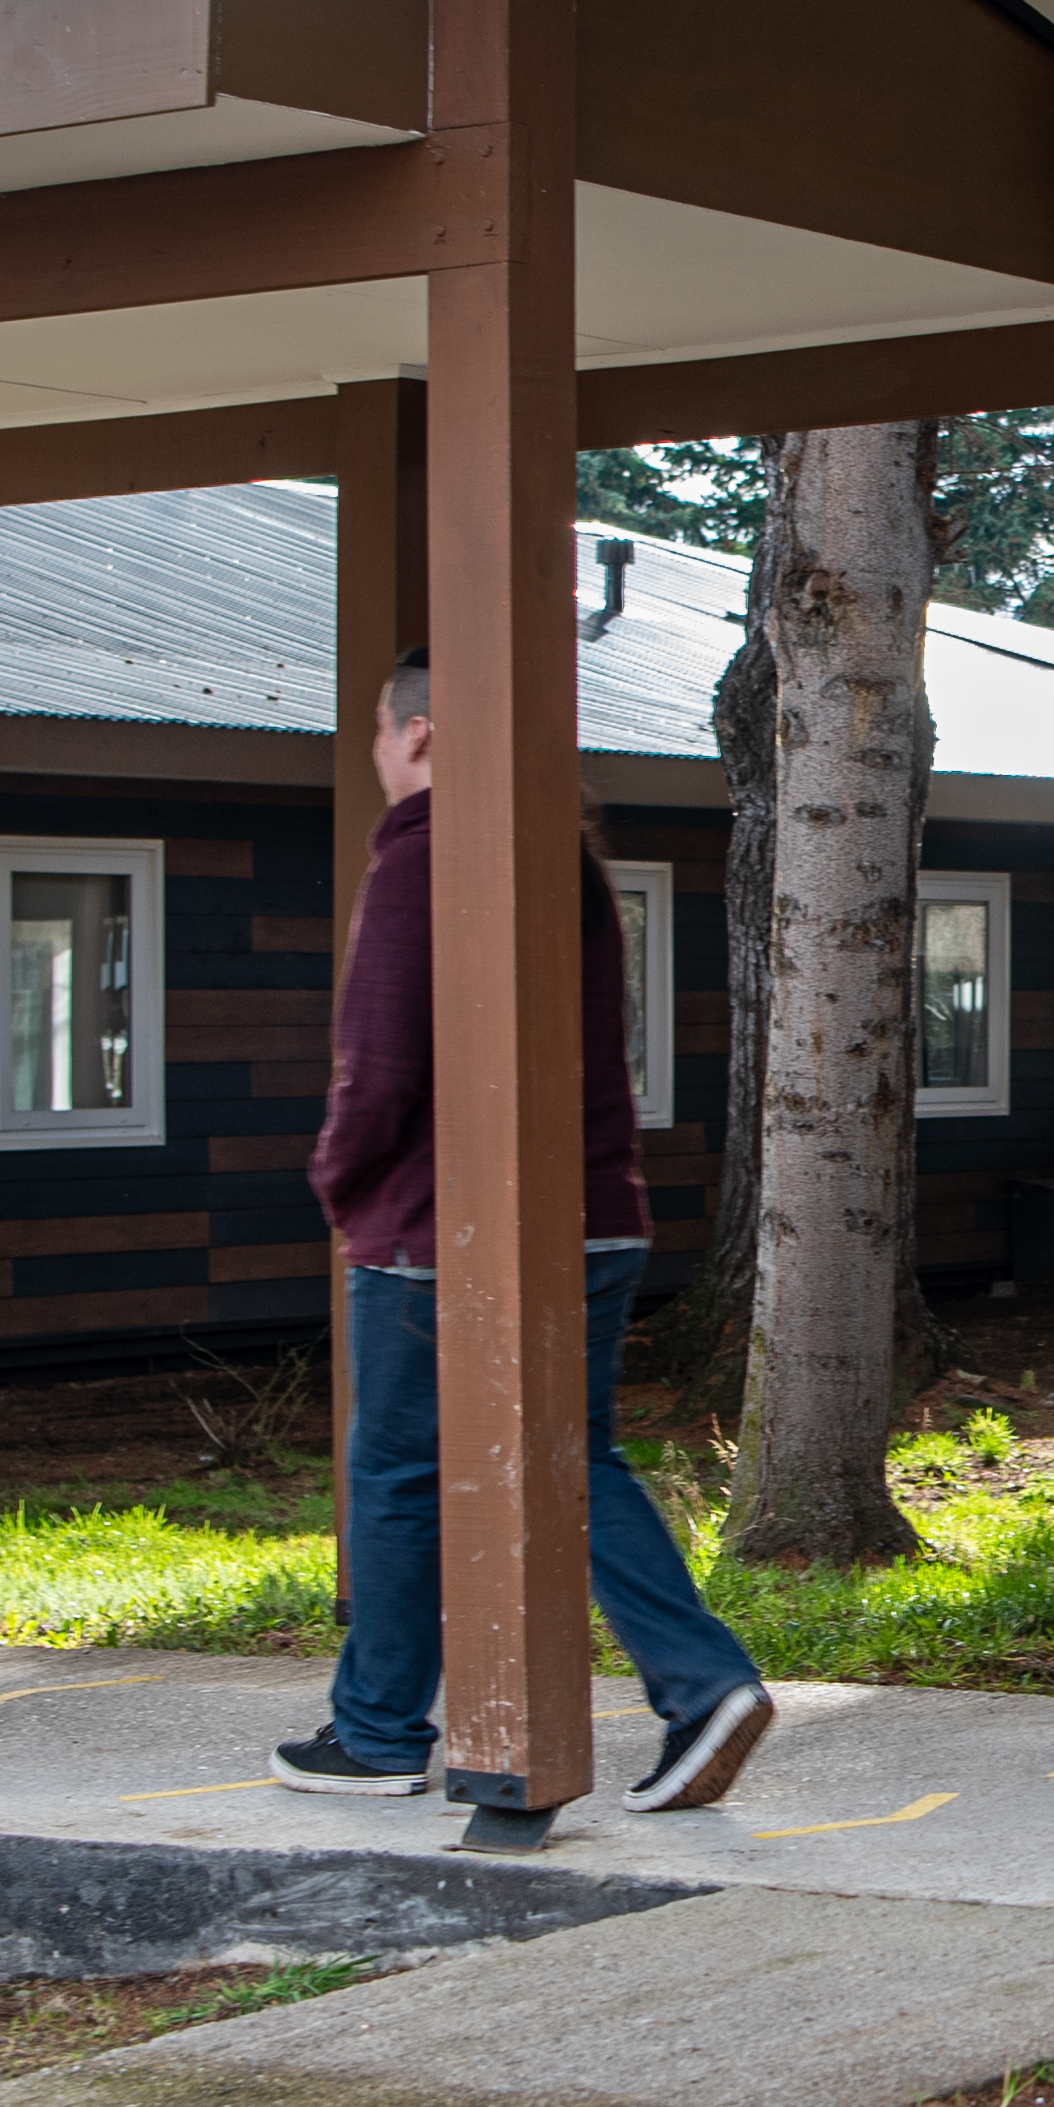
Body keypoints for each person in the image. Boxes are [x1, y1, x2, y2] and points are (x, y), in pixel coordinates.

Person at [273, 655, 775, 1820]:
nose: (379, 756)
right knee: (568, 1458)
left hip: (437, 1231)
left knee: (398, 1477)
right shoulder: (567, 856)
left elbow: (380, 1063)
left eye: (381, 733)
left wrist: (339, 1182)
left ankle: (380, 1729)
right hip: (594, 1216)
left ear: (425, 734)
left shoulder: (423, 855)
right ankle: (702, 1682)